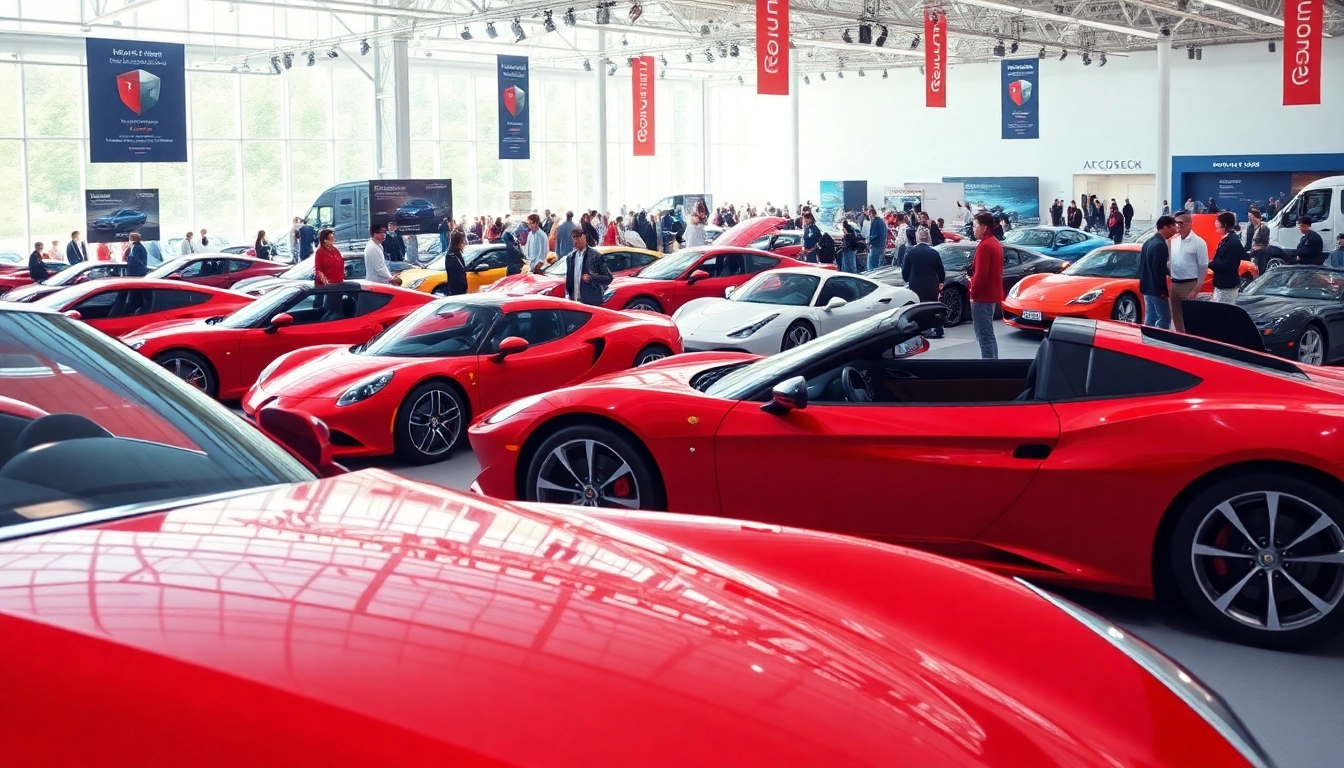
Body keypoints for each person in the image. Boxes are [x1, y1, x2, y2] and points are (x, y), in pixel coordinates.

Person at [967, 213, 1004, 359]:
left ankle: (989, 367)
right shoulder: (995, 243)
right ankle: (993, 364)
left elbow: (981, 275)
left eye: (975, 225)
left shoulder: (985, 246)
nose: (973, 229)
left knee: (984, 335)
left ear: (984, 226)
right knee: (988, 334)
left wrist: (972, 292)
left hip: (983, 297)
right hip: (992, 295)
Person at [902, 227, 946, 338]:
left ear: (917, 238)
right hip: (931, 285)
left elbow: (905, 271)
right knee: (933, 307)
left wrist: (908, 279)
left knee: (919, 307)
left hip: (916, 285)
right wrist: (940, 282)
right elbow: (940, 271)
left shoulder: (911, 252)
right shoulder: (934, 253)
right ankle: (938, 328)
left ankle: (923, 329)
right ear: (928, 238)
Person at [1169, 211, 1208, 333]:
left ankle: (1191, 341)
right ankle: (1180, 338)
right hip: (1174, 284)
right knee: (1176, 316)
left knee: (1190, 317)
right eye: (1176, 223)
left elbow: (1203, 266)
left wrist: (1197, 288)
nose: (1177, 226)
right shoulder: (1174, 241)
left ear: (1189, 224)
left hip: (1189, 284)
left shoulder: (1199, 243)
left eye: (1180, 223)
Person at [1141, 215, 1177, 329]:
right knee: (1164, 318)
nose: (1175, 229)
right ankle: (1159, 342)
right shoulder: (1160, 245)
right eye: (1173, 226)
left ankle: (1146, 340)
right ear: (1164, 227)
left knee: (1150, 316)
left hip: (1146, 287)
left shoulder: (1148, 242)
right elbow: (1158, 270)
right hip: (1156, 289)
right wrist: (1162, 290)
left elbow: (1142, 265)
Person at [566, 228, 613, 306]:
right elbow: (569, 279)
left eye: (577, 237)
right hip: (574, 301)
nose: (575, 241)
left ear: (584, 237)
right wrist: (568, 295)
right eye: (573, 238)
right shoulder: (570, 257)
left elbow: (608, 278)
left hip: (591, 301)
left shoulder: (595, 256)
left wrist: (592, 277)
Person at [1209, 211, 1246, 305]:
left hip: (1227, 286)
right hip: (1221, 284)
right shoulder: (1227, 240)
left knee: (1223, 313)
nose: (1216, 225)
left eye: (1218, 222)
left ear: (1225, 224)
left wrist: (1209, 264)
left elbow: (1229, 264)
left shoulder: (1233, 242)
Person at [443, 230, 468, 295]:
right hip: (457, 290)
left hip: (457, 288)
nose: (464, 243)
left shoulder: (456, 254)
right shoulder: (452, 256)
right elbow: (457, 274)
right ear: (458, 242)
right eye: (463, 240)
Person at [866, 206, 887, 271]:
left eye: (869, 214)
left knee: (872, 268)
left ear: (871, 213)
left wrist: (868, 241)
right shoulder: (882, 221)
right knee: (879, 267)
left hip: (875, 246)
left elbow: (875, 235)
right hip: (881, 246)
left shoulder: (876, 222)